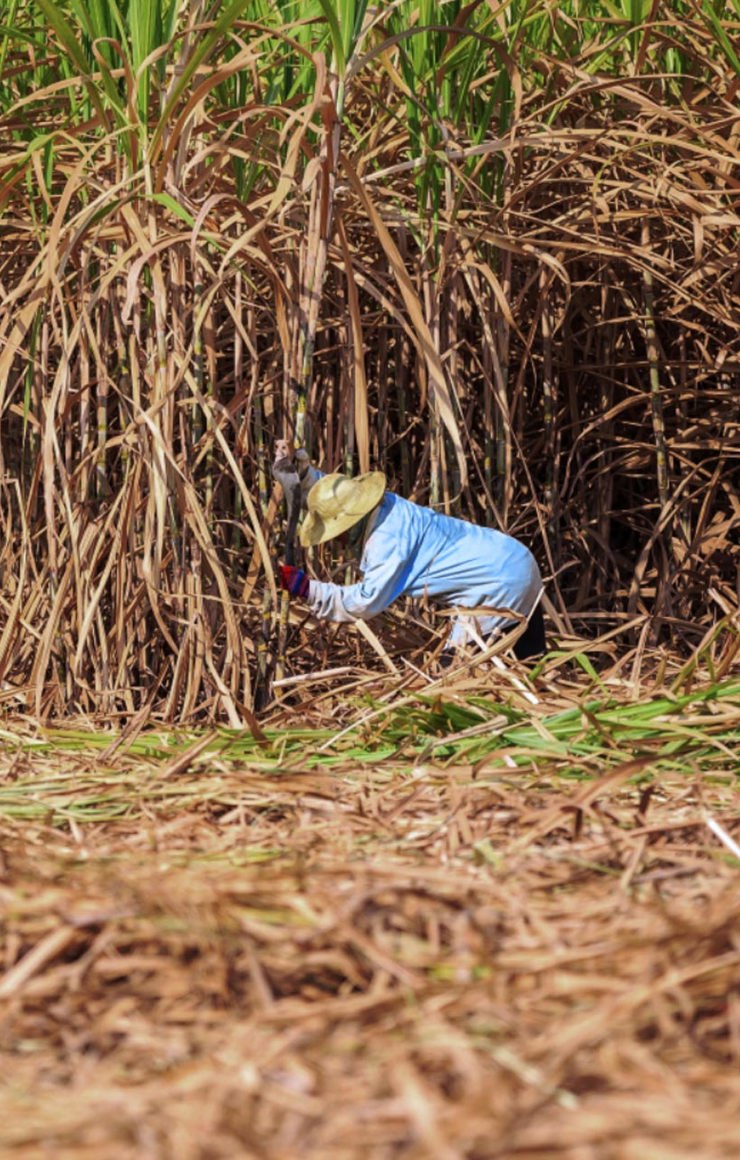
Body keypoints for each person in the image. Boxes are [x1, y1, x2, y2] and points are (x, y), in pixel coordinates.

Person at [272, 441, 545, 662]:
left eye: (334, 533)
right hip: (518, 559)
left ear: (348, 525)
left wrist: (306, 589)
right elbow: (336, 496)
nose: (336, 542)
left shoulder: (386, 543)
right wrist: (301, 474)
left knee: (453, 680)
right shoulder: (385, 505)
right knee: (530, 668)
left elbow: (365, 602)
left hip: (500, 587)